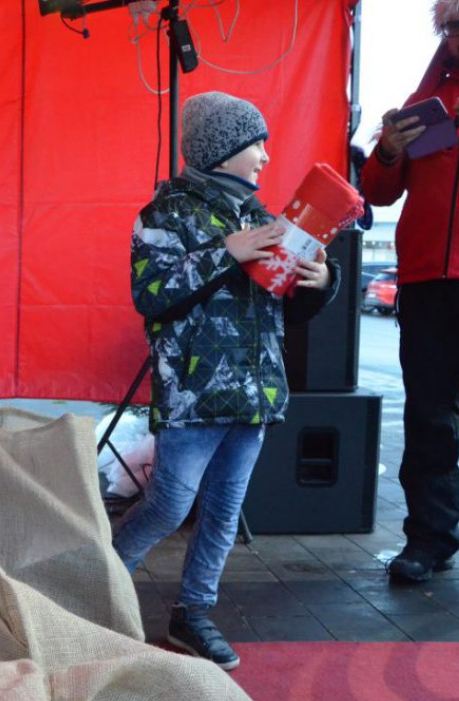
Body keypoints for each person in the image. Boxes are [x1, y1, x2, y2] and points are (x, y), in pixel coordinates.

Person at [112, 92, 338, 670]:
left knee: (223, 511)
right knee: (167, 506)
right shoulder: (164, 214)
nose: (265, 155)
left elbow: (282, 308)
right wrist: (224, 252)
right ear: (221, 148)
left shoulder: (266, 218)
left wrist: (318, 283)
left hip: (254, 391)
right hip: (194, 394)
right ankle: (91, 588)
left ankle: (193, 613)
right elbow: (151, 296)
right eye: (255, 142)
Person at [361, 1, 459, 584]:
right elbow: (377, 191)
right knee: (428, 417)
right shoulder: (428, 104)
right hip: (425, 283)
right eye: (447, 28)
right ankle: (429, 539)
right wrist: (391, 148)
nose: (452, 39)